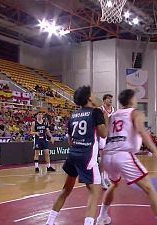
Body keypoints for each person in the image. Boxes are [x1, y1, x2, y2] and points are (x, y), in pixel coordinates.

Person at [96, 89, 157, 225]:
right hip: (123, 155)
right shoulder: (135, 113)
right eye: (135, 97)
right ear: (131, 100)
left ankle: (101, 217)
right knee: (149, 188)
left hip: (108, 155)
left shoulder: (113, 115)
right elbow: (142, 132)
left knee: (114, 184)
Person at [45, 85, 108, 225]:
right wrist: (105, 118)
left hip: (73, 155)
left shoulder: (73, 115)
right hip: (87, 157)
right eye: (93, 93)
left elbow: (69, 140)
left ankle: (50, 222)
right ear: (90, 97)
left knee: (66, 190)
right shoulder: (96, 112)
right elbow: (104, 134)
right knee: (94, 193)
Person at [98, 94, 115, 189]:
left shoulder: (113, 110)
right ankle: (101, 179)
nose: (110, 100)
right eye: (108, 99)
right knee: (103, 159)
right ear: (104, 100)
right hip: (102, 136)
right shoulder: (100, 109)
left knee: (109, 159)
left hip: (110, 135)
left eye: (111, 99)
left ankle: (106, 177)